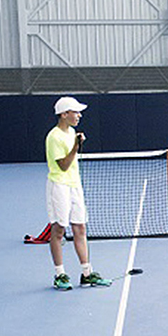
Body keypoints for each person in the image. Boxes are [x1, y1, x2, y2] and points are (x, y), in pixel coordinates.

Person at [45, 96, 111, 290]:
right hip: (59, 186)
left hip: (75, 185)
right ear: (64, 114)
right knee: (58, 230)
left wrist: (74, 142)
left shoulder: (71, 132)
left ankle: (87, 273)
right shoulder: (54, 137)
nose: (79, 116)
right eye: (76, 112)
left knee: (80, 229)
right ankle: (60, 275)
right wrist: (76, 145)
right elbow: (63, 166)